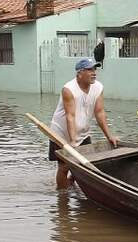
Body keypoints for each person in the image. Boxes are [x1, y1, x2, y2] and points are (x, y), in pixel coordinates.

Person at [49, 57, 118, 188]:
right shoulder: (69, 89)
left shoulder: (98, 87)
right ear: (79, 73)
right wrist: (73, 142)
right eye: (89, 70)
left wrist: (109, 136)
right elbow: (70, 116)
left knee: (85, 164)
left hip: (83, 132)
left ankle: (71, 183)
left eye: (95, 69)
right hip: (61, 133)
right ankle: (62, 195)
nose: (94, 73)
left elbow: (99, 113)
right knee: (64, 167)